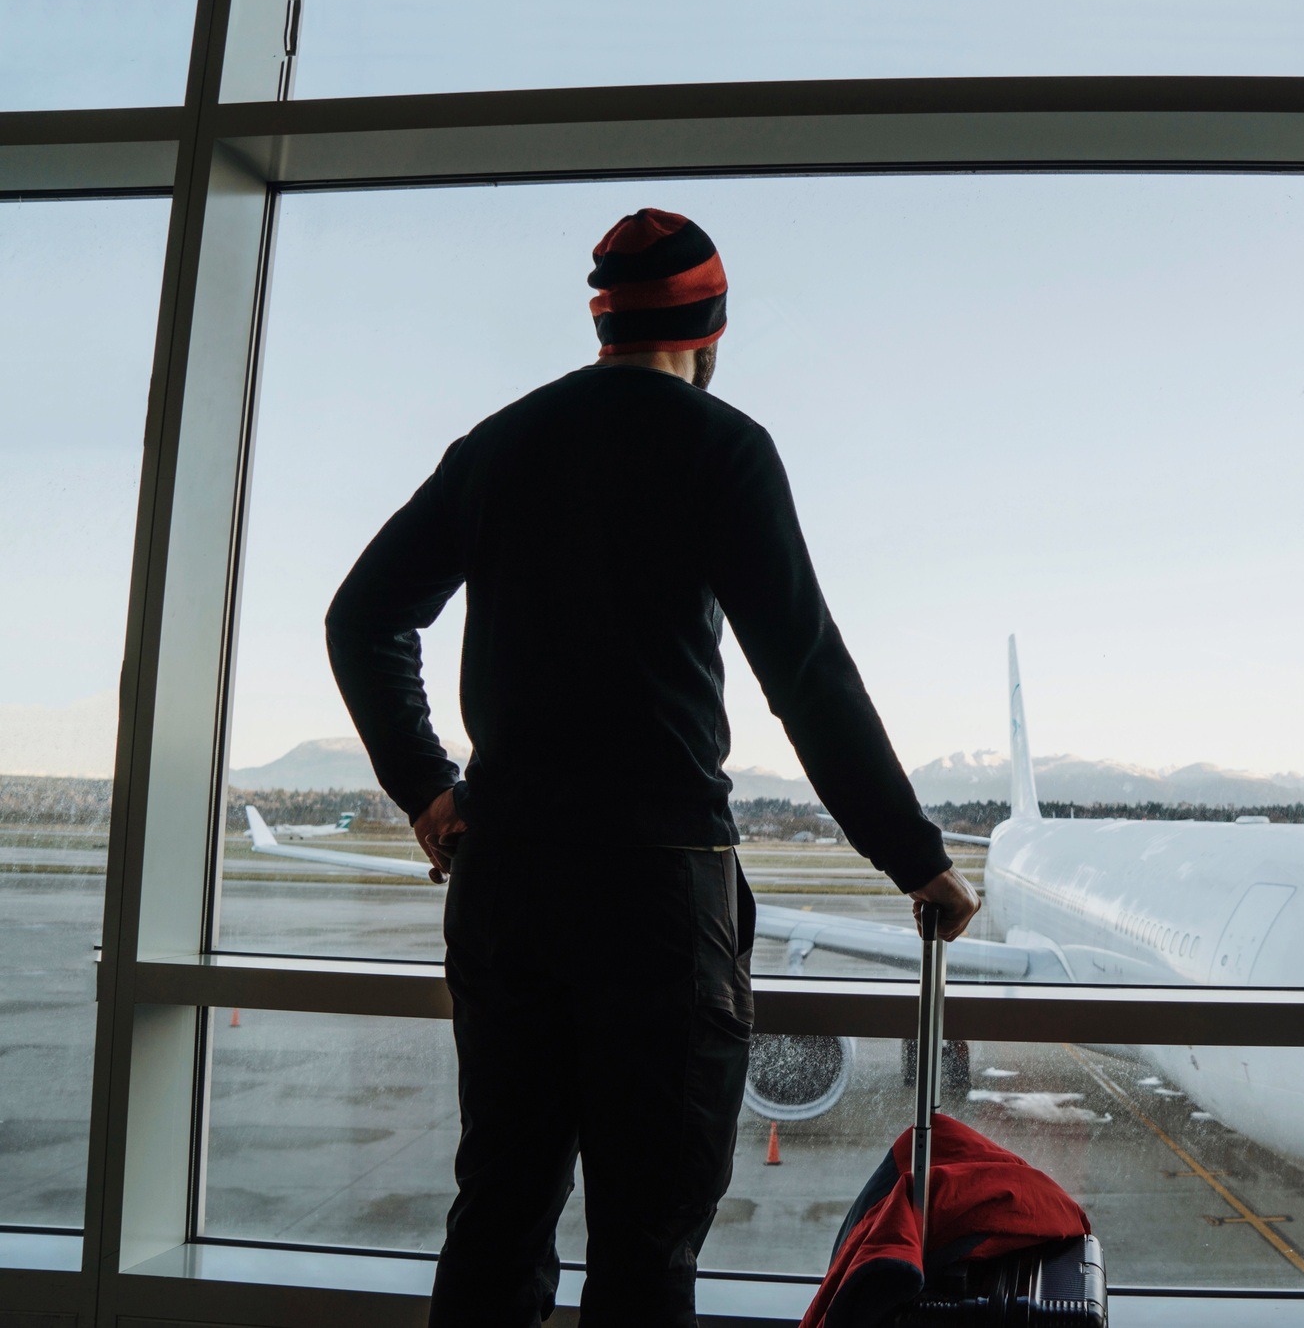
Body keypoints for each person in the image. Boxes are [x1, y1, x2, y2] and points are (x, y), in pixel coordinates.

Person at [325, 208, 981, 1327]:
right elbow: (806, 675)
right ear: (710, 328)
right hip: (656, 894)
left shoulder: (500, 443)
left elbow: (361, 619)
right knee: (645, 1243)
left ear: (604, 323)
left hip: (509, 880)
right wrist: (915, 859)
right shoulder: (721, 447)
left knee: (497, 1216)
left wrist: (431, 793)